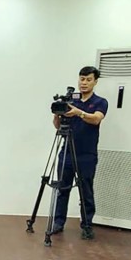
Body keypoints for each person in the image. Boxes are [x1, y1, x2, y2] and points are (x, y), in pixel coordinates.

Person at [50, 66, 108, 240]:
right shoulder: (71, 100)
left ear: (95, 81)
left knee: (86, 191)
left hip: (86, 155)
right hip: (66, 152)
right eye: (82, 79)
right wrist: (57, 115)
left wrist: (79, 113)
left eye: (88, 79)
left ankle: (87, 225)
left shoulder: (100, 102)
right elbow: (58, 126)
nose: (84, 83)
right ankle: (58, 223)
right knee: (62, 188)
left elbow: (96, 118)